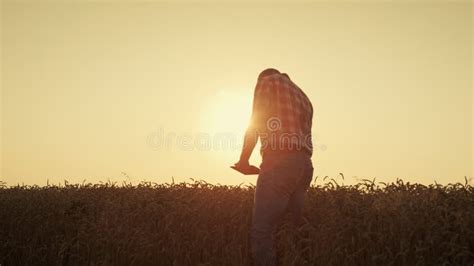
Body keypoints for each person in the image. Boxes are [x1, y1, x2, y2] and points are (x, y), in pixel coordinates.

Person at [233, 68, 314, 265]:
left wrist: (243, 161)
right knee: (293, 231)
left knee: (262, 230)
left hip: (279, 161)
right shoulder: (302, 96)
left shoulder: (267, 82)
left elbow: (256, 122)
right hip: (304, 166)